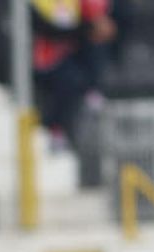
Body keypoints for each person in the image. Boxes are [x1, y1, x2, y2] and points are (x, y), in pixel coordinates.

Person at [30, 0, 118, 148]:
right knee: (68, 81)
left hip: (71, 54)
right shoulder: (37, 5)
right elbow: (47, 29)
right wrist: (87, 28)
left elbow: (96, 12)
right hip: (47, 60)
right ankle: (55, 129)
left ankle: (93, 89)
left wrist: (98, 22)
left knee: (94, 45)